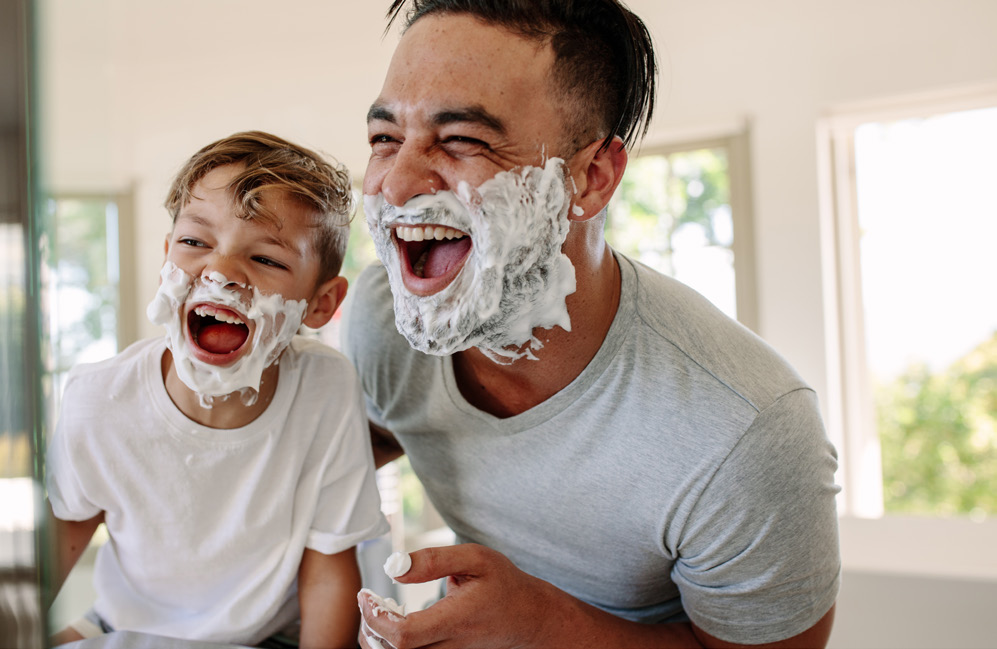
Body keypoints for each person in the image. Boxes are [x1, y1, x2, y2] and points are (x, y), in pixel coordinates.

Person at [342, 1, 840, 648]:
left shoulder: (744, 428)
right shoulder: (384, 317)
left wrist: (542, 627)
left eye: (462, 139)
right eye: (385, 138)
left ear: (591, 176)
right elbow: (349, 447)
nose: (395, 184)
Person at [46, 131, 390, 649]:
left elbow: (328, 570)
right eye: (194, 242)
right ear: (166, 258)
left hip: (270, 635)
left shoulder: (325, 387)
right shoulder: (98, 401)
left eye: (267, 259)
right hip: (125, 627)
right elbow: (48, 559)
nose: (222, 272)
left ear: (320, 304)